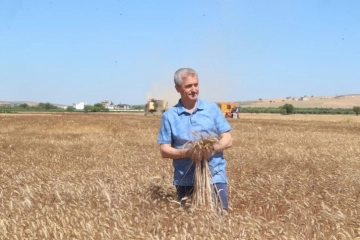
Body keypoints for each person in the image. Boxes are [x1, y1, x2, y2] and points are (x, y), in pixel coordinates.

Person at [157, 67, 233, 210]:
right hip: (185, 179)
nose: (194, 89)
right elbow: (164, 150)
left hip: (215, 176)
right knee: (189, 223)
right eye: (188, 86)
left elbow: (228, 139)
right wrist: (188, 153)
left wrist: (212, 149)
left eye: (196, 85)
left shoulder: (212, 109)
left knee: (220, 219)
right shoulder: (170, 116)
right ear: (177, 88)